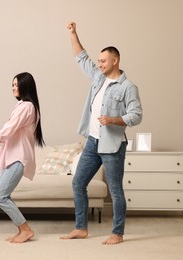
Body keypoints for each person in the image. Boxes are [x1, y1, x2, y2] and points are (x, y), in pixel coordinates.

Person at [60, 22, 143, 245]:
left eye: (103, 61)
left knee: (115, 191)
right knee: (78, 183)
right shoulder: (98, 77)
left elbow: (136, 115)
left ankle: (117, 233)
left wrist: (114, 120)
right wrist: (73, 34)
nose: (99, 64)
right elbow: (81, 57)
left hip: (114, 145)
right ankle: (81, 228)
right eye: (99, 61)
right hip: (92, 142)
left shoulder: (128, 87)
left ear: (115, 61)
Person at [0, 72, 45, 243]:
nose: (13, 87)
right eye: (12, 84)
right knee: (4, 195)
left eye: (16, 84)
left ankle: (26, 229)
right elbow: (8, 136)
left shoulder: (27, 107)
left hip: (18, 158)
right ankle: (22, 230)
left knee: (0, 196)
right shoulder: (22, 106)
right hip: (12, 158)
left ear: (25, 86)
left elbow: (5, 133)